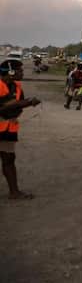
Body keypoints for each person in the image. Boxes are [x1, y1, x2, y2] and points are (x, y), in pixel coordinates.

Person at [0, 59, 40, 199]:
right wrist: (27, 102)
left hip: (8, 128)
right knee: (8, 159)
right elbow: (4, 106)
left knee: (9, 159)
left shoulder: (16, 86)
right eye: (19, 70)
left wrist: (24, 104)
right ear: (10, 72)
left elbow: (16, 105)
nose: (22, 73)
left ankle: (14, 192)